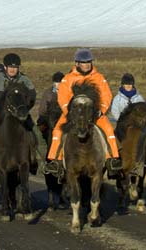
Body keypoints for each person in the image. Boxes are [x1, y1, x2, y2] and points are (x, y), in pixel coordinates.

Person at [45, 48, 121, 178]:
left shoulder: (99, 78)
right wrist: (69, 112)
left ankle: (112, 159)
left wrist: (101, 110)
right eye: (83, 62)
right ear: (77, 63)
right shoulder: (68, 79)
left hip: (94, 114)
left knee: (108, 129)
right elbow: (63, 97)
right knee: (57, 131)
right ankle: (55, 160)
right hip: (72, 114)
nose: (86, 65)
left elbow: (106, 95)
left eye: (88, 62)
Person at [37, 71, 64, 154]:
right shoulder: (48, 93)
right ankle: (49, 156)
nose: (58, 85)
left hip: (64, 118)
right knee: (48, 133)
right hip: (50, 119)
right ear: (53, 83)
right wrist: (45, 119)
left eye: (60, 83)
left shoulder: (68, 92)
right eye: (56, 83)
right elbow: (42, 109)